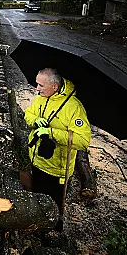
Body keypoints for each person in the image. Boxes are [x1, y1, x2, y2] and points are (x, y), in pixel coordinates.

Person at [24, 68, 91, 232]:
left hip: (56, 171)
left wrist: (52, 133)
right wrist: (35, 120)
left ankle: (52, 232)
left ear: (54, 87)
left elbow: (83, 140)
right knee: (38, 196)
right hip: (37, 160)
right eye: (37, 84)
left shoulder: (74, 107)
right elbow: (28, 114)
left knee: (53, 206)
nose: (37, 89)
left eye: (40, 85)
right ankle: (37, 226)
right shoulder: (41, 98)